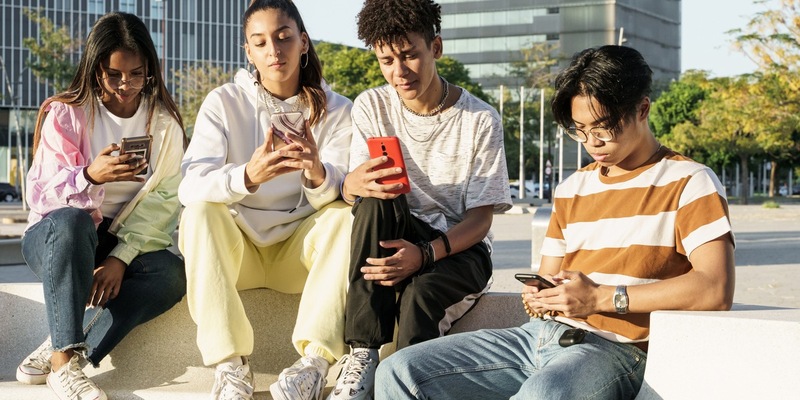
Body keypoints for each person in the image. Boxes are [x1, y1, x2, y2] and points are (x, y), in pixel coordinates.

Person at [374, 45, 737, 400]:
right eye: (579, 129)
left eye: (603, 128)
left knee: (542, 394)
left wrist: (601, 299)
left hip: (615, 352)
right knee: (400, 371)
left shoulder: (690, 181)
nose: (591, 142)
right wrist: (540, 297)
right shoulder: (572, 188)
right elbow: (543, 288)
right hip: (537, 337)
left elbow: (715, 288)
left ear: (642, 109)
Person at [327, 1, 512, 398]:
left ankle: (407, 387)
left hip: (460, 249)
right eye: (386, 60)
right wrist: (351, 184)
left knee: (420, 298)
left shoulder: (480, 120)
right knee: (375, 198)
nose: (399, 71)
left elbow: (481, 220)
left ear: (436, 48)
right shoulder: (371, 106)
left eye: (410, 55)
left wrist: (425, 255)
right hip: (397, 230)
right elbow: (359, 196)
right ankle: (362, 352)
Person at [177, 1, 353, 399]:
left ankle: (314, 365)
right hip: (239, 255)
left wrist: (316, 171)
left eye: (284, 37)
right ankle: (230, 367)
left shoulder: (339, 109)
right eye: (261, 42)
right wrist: (247, 177)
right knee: (200, 212)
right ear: (249, 52)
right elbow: (189, 185)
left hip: (299, 257)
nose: (274, 50)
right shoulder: (224, 102)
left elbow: (346, 187)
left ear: (303, 42)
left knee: (346, 217)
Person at [15, 12, 187, 400]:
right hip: (58, 237)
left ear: (150, 70)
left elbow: (164, 201)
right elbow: (42, 196)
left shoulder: (164, 125)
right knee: (73, 221)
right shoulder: (66, 113)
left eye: (137, 74)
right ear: (96, 72)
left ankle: (63, 341)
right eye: (114, 75)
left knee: (172, 275)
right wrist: (90, 175)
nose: (126, 85)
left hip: (119, 239)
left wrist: (120, 258)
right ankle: (64, 363)